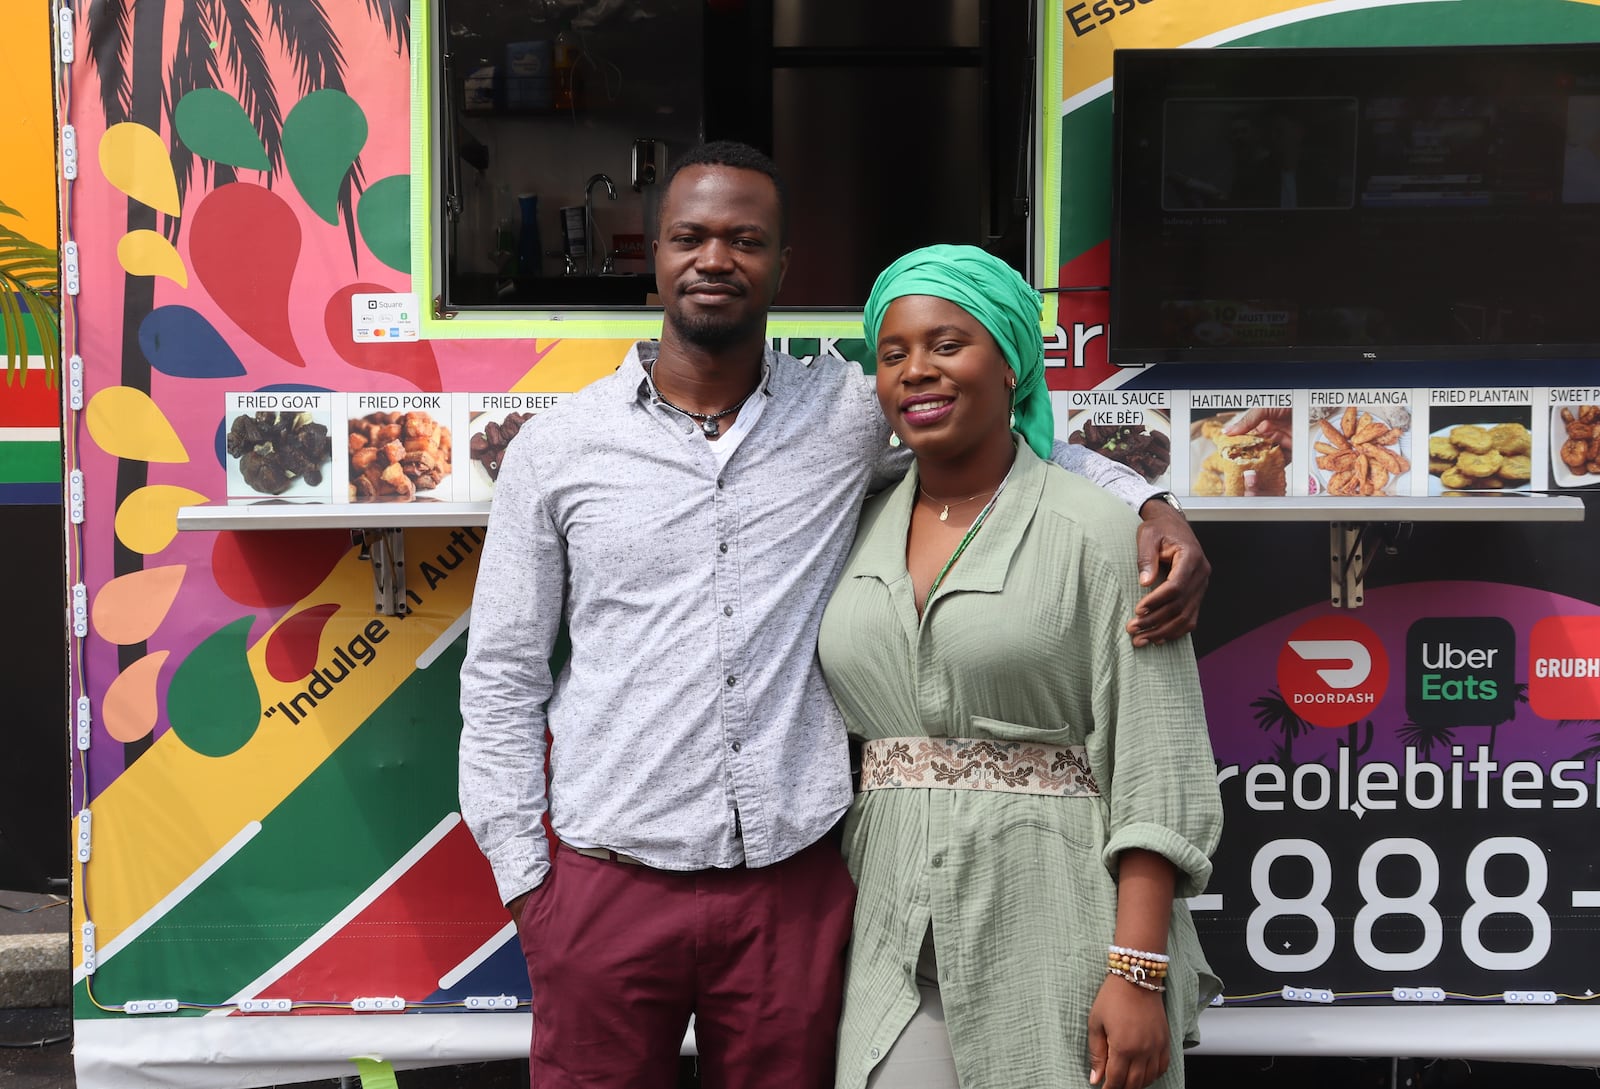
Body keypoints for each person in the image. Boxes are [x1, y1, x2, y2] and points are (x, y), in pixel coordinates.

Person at [457, 141, 1210, 1089]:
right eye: (689, 236)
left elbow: (1009, 439)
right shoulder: (559, 447)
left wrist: (1150, 505)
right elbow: (502, 675)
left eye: (745, 239)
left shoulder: (847, 414)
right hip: (607, 883)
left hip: (794, 890)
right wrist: (528, 881)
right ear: (652, 256)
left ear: (783, 265)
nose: (714, 258)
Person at [819, 244, 1222, 1089]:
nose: (917, 371)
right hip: (892, 934)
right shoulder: (852, 529)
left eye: (947, 344)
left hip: (1062, 927)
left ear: (1011, 363)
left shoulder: (1102, 534)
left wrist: (1137, 970)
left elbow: (1157, 764)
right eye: (892, 355)